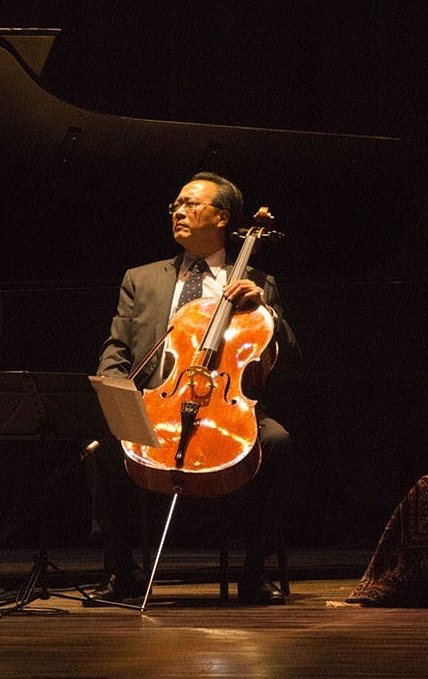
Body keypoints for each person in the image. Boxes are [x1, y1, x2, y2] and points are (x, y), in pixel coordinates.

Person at [86, 172, 299, 605]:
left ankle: (254, 572)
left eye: (190, 204)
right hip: (156, 403)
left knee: (277, 442)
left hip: (226, 405)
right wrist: (117, 393)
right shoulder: (141, 279)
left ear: (222, 217)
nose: (178, 212)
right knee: (105, 443)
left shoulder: (257, 281)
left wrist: (264, 311)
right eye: (175, 206)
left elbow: (288, 355)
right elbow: (116, 348)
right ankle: (121, 570)